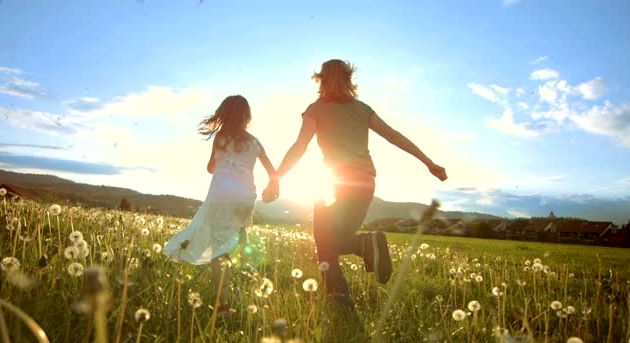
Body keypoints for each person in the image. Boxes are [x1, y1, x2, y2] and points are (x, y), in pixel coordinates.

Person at [265, 59, 447, 309]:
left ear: (321, 79)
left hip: (333, 183)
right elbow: (393, 135)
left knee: (325, 246)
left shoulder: (315, 109)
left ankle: (340, 301)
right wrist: (428, 162)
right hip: (364, 183)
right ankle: (362, 248)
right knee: (337, 240)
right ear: (349, 79)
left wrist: (277, 175)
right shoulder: (362, 109)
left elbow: (300, 146)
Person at [163, 95, 279, 312]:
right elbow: (273, 173)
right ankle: (247, 269)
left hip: (221, 196)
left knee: (219, 246)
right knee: (239, 232)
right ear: (247, 116)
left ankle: (222, 305)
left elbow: (210, 168)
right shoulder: (255, 142)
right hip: (245, 198)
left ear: (224, 115)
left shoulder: (221, 139)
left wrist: (225, 163)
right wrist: (272, 188)